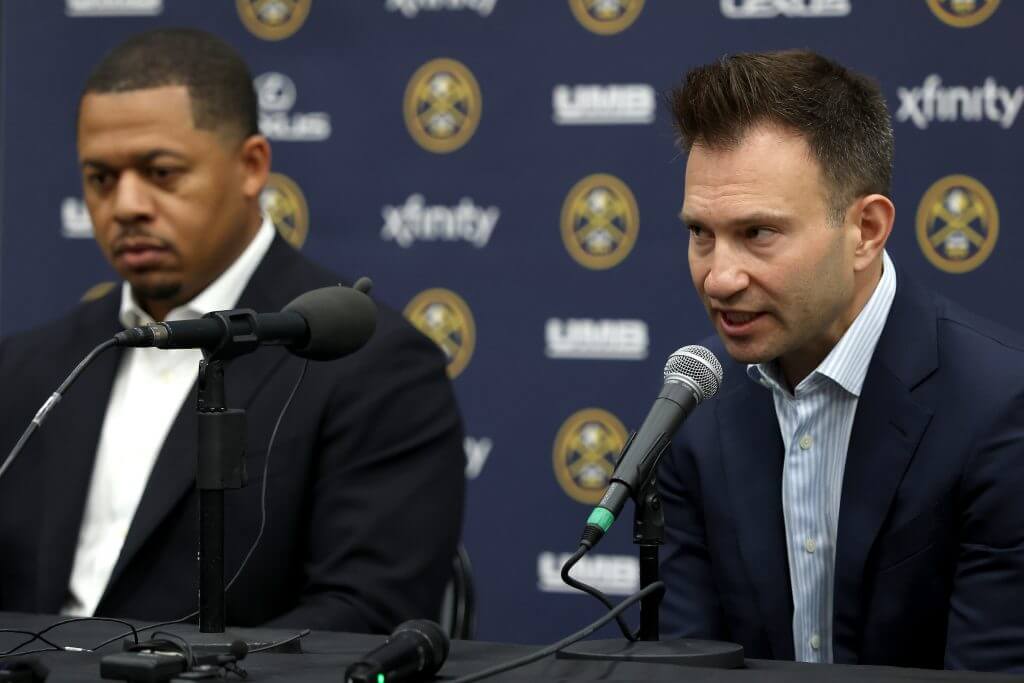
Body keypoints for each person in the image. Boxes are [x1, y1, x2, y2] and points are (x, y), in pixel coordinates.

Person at [0, 28, 466, 633]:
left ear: (251, 167)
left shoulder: (374, 366)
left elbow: (363, 616)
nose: (126, 205)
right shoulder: (27, 368)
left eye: (160, 172)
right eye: (100, 178)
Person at [658, 49, 1024, 671]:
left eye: (758, 233)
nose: (718, 278)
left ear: (867, 230)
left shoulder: (999, 410)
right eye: (701, 233)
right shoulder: (695, 413)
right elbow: (688, 663)